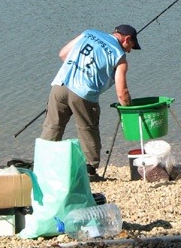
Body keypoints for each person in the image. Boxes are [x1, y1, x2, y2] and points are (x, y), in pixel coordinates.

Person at [41, 25, 140, 181]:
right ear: (127, 39)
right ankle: (90, 171)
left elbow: (63, 54)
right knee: (88, 129)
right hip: (84, 94)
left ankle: (42, 167)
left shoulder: (88, 33)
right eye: (131, 47)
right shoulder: (120, 57)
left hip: (60, 85)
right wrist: (130, 114)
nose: (129, 51)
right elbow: (122, 93)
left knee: (53, 126)